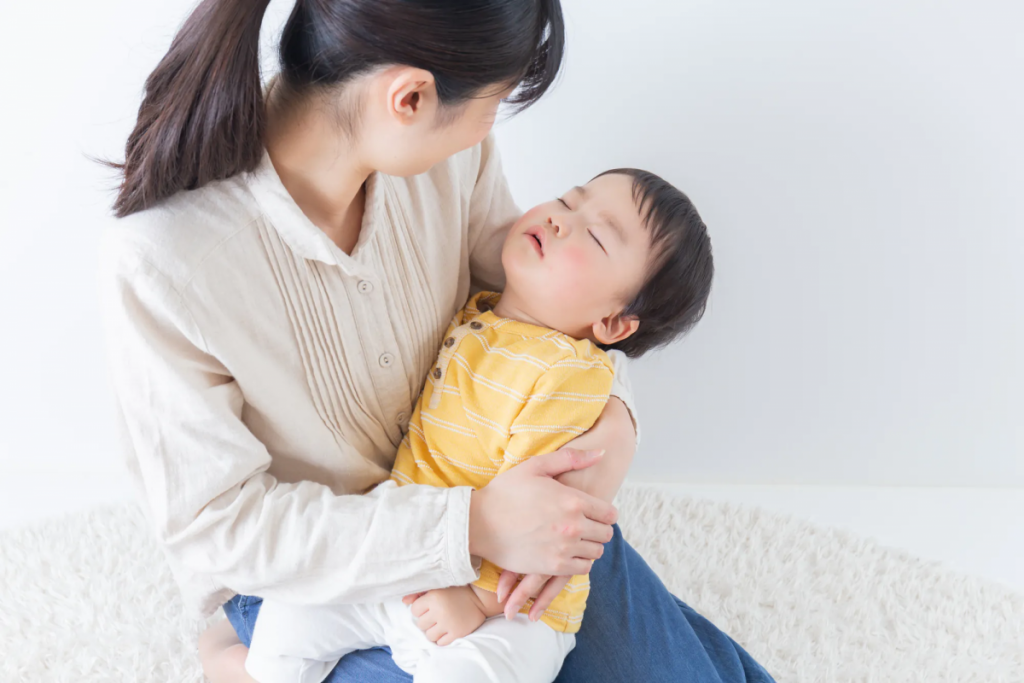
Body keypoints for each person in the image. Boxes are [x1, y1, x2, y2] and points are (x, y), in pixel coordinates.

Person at [98, 0, 775, 681]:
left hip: (500, 505)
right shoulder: (166, 264)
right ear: (411, 97)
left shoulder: (450, 157)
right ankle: (235, 658)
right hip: (318, 575)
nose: (488, 127)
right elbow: (221, 527)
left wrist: (608, 433)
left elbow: (552, 309)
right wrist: (468, 526)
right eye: (495, 102)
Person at [243, 169, 713, 683]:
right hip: (409, 549)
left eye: (596, 236)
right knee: (289, 620)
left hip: (508, 611)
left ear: (613, 325)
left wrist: (476, 599)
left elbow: (545, 523)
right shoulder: (483, 312)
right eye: (566, 200)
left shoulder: (564, 376)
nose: (560, 220)